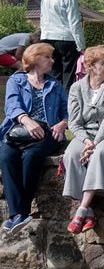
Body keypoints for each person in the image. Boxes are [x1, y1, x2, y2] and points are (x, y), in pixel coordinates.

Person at [0, 43, 68, 234]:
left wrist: (63, 123)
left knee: (31, 156)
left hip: (48, 132)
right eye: (48, 57)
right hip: (19, 130)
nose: (52, 61)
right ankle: (16, 215)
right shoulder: (17, 81)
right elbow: (12, 106)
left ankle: (21, 211)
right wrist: (27, 121)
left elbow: (66, 111)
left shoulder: (55, 84)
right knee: (6, 157)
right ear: (36, 59)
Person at [62, 45, 104, 234]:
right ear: (90, 67)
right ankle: (88, 211)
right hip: (86, 135)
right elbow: (74, 123)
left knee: (100, 153)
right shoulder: (76, 88)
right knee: (71, 153)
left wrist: (94, 144)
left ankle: (81, 209)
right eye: (103, 64)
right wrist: (86, 141)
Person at [40, 0, 85, 93]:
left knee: (52, 74)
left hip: (48, 38)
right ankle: (66, 108)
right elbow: (75, 23)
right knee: (68, 77)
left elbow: (43, 18)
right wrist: (81, 46)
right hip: (66, 39)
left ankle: (52, 105)